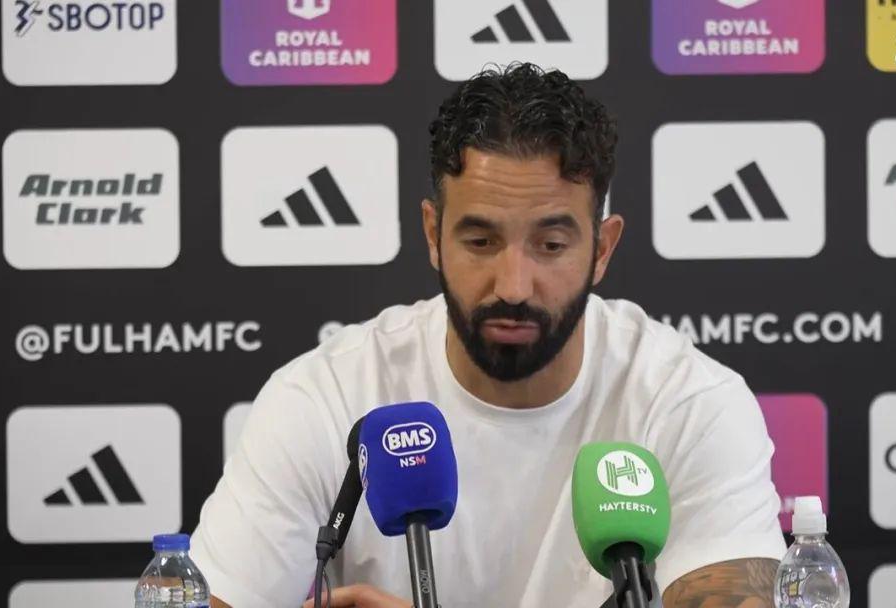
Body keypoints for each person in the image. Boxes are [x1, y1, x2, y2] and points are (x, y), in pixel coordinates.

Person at [193, 62, 785, 608]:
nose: (514, 286)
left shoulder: (687, 401)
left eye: (550, 245)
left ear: (602, 249)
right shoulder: (325, 397)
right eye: (480, 242)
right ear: (433, 235)